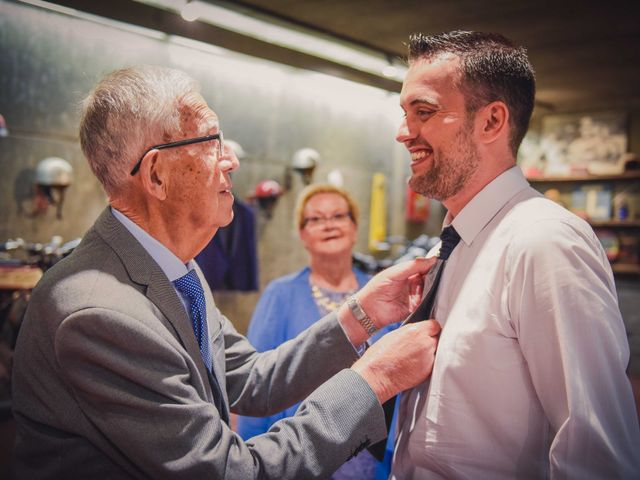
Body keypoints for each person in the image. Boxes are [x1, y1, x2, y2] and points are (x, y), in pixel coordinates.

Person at [10, 65, 442, 479]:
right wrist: (375, 379)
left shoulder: (174, 269)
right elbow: (231, 471)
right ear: (157, 175)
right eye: (212, 142)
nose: (231, 160)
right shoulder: (100, 314)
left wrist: (361, 313)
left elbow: (253, 378)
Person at [392, 31, 640, 479]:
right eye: (405, 114)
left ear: (491, 122)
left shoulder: (545, 242)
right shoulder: (448, 245)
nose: (403, 133)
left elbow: (596, 454)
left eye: (424, 113)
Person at [237, 183, 396, 479]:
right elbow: (255, 387)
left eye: (338, 216)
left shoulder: (383, 293)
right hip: (301, 455)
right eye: (316, 219)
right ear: (302, 234)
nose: (329, 225)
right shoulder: (280, 294)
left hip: (373, 457)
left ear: (354, 226)